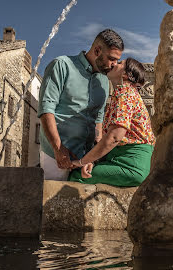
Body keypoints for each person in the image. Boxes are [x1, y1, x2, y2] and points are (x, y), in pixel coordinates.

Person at [38, 29, 124, 180]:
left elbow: (98, 119)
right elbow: (46, 110)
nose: (114, 65)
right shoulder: (61, 65)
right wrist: (58, 148)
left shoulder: (104, 81)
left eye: (117, 60)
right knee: (51, 200)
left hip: (86, 159)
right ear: (97, 50)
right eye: (111, 59)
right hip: (55, 155)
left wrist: (95, 155)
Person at [68, 58, 155, 187]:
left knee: (76, 176)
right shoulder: (124, 94)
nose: (114, 63)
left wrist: (81, 162)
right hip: (127, 161)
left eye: (120, 63)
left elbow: (114, 137)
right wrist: (93, 160)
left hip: (132, 165)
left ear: (126, 74)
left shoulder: (125, 93)